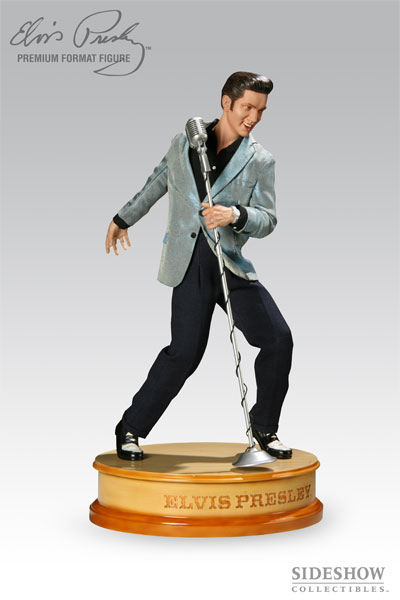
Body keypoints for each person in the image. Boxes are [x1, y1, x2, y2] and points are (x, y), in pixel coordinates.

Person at [105, 71, 294, 461]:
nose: (254, 118)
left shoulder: (261, 160)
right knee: (184, 354)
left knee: (278, 339)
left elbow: (268, 219)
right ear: (226, 102)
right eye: (247, 107)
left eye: (261, 110)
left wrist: (236, 214)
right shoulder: (184, 143)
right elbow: (157, 182)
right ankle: (130, 428)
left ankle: (264, 427)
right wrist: (123, 218)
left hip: (230, 266)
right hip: (189, 265)